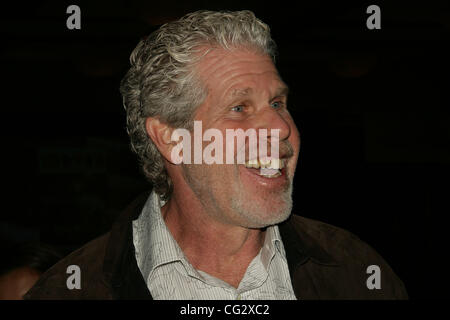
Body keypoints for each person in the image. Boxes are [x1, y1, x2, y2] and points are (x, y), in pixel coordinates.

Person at [25, 10, 407, 300]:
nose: (280, 127)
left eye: (278, 102)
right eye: (239, 108)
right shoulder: (72, 289)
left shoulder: (355, 272)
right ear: (171, 139)